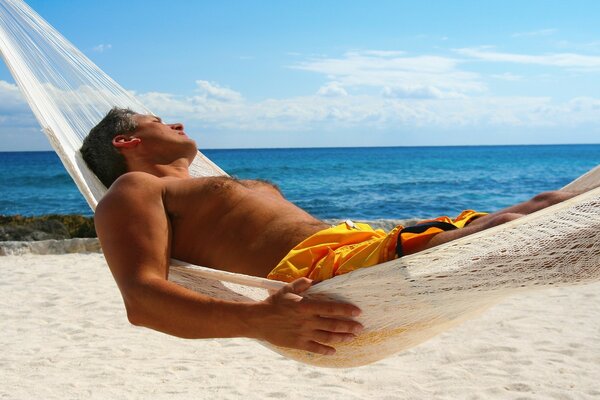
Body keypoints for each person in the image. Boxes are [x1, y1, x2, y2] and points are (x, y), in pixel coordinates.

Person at [80, 108, 581, 356]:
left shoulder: (201, 183)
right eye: (160, 120)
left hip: (367, 249)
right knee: (518, 229)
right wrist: (257, 320)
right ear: (128, 140)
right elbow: (142, 300)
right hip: (332, 275)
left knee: (549, 205)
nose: (178, 122)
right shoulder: (135, 188)